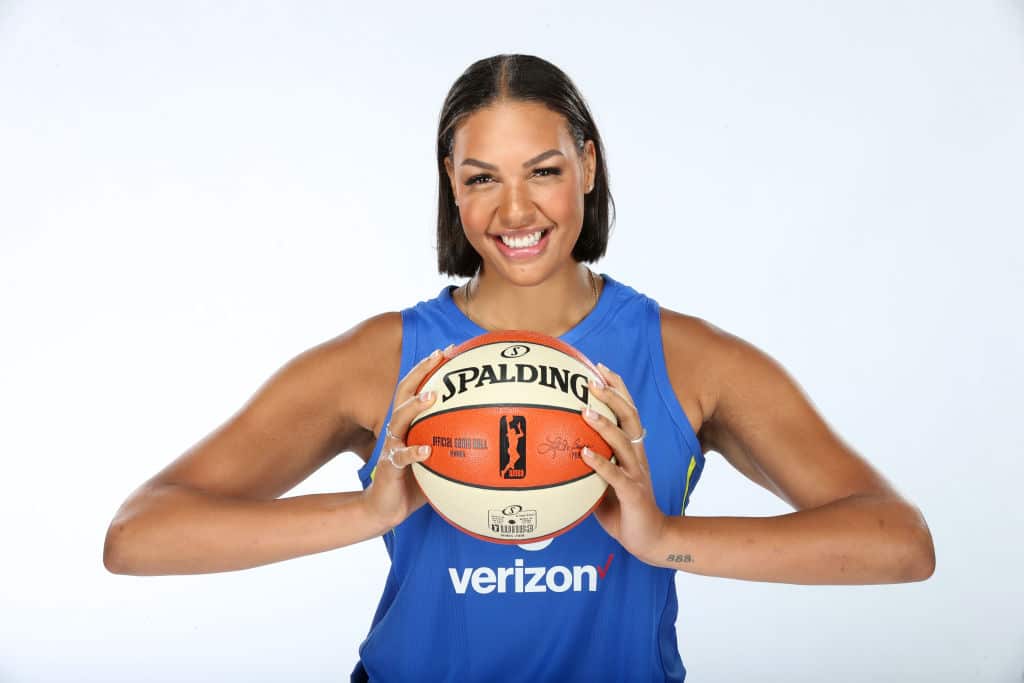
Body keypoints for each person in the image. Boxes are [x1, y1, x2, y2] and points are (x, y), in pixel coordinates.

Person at [103, 54, 936, 681]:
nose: (514, 211)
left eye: (544, 171)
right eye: (482, 178)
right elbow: (140, 535)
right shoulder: (380, 361)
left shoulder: (689, 359)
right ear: (451, 186)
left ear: (588, 167)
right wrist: (369, 511)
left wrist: (665, 538)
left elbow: (900, 544)